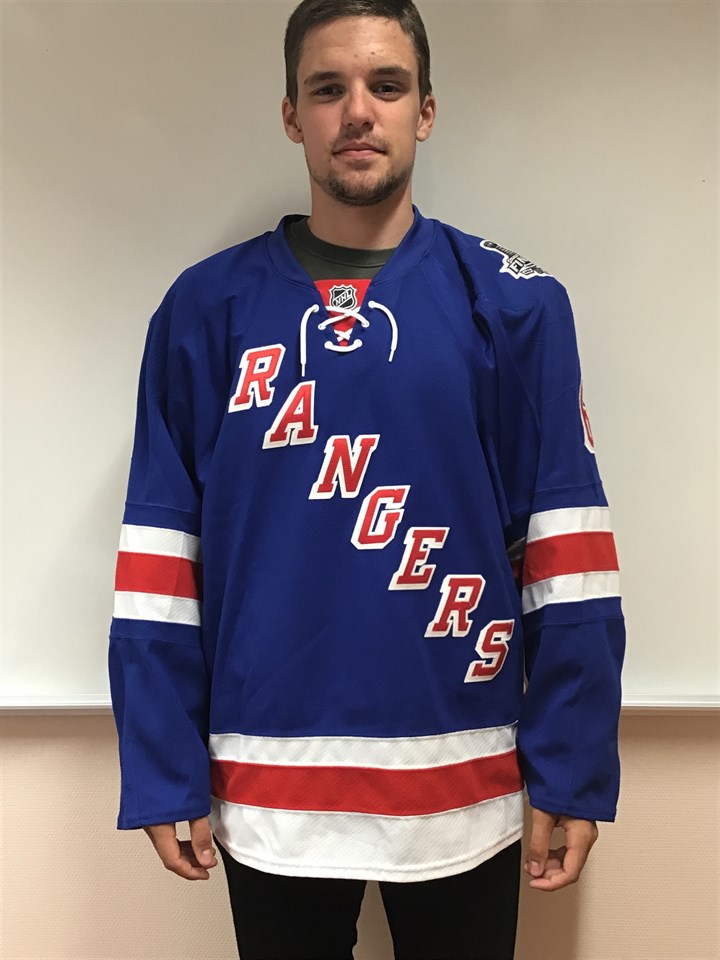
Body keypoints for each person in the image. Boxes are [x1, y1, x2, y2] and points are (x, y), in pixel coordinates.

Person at [108, 1, 626, 957]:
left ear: (424, 109)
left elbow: (568, 553)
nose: (357, 111)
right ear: (291, 114)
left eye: (386, 85)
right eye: (327, 88)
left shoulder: (517, 306)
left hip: (465, 781)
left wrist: (574, 763)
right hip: (269, 785)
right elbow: (160, 558)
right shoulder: (202, 311)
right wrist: (160, 762)